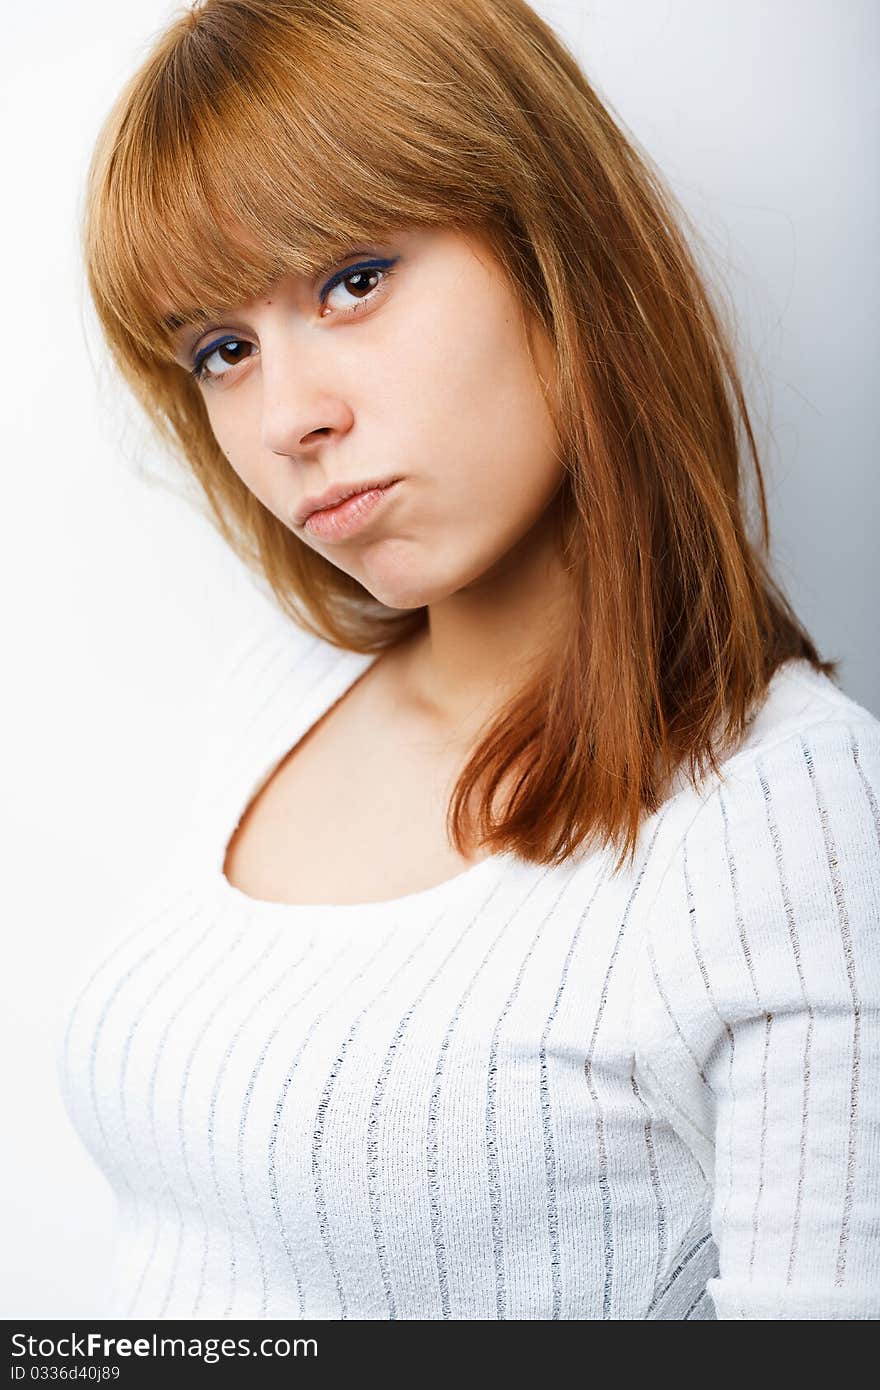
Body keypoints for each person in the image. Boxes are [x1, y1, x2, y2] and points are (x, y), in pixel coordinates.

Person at [57, 0, 880, 1320]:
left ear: (554, 247)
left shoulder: (795, 815)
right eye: (222, 349)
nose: (287, 418)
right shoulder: (274, 696)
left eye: (352, 280)